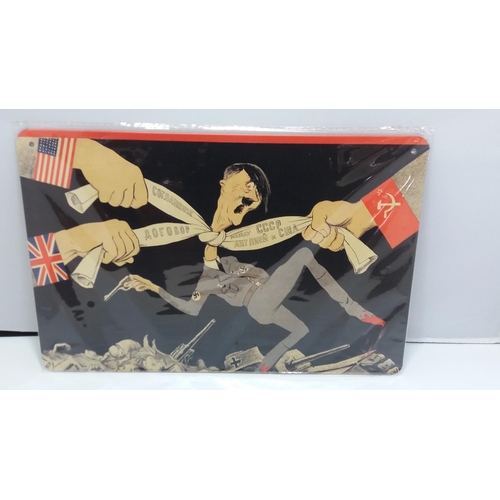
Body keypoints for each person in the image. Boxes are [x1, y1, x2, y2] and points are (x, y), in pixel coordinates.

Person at [121, 163, 385, 372]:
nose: (251, 196)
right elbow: (191, 308)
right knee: (304, 254)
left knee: (301, 329)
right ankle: (355, 310)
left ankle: (265, 366)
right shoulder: (208, 274)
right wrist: (154, 287)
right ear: (223, 185)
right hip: (259, 301)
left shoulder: (240, 245)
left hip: (267, 304)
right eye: (246, 186)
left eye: (254, 195)